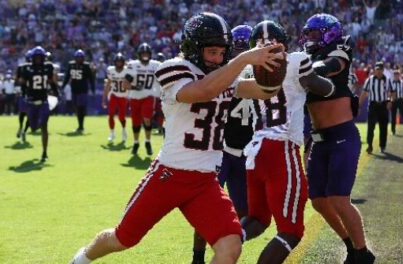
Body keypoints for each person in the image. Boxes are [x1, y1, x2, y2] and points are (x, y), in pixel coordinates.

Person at [69, 12, 284, 264]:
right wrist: (244, 59)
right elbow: (203, 90)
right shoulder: (172, 68)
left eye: (221, 52)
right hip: (169, 174)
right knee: (123, 238)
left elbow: (263, 92)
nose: (217, 58)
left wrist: (275, 66)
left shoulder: (225, 73)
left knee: (230, 246)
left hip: (205, 180)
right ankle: (81, 259)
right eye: (211, 52)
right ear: (194, 48)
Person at [241, 20, 335, 264]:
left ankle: (225, 240)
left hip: (255, 151)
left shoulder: (251, 67)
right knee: (291, 231)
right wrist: (320, 70)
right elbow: (321, 88)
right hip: (281, 147)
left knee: (257, 220)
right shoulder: (296, 60)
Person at [301, 13, 375, 263]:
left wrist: (306, 70)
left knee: (338, 199)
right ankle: (350, 246)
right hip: (319, 139)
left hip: (342, 135)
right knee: (319, 201)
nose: (310, 39)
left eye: (314, 34)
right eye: (308, 34)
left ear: (329, 33)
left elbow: (331, 66)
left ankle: (363, 253)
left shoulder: (339, 51)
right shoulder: (308, 59)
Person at [190, 24, 254, 264]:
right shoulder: (224, 72)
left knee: (244, 211)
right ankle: (198, 257)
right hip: (220, 149)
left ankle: (224, 248)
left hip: (246, 151)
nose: (238, 52)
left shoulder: (256, 72)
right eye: (235, 47)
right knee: (206, 208)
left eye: (243, 47)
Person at [19, 46, 58, 162]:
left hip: (43, 101)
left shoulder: (48, 67)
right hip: (31, 102)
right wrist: (24, 93)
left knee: (44, 126)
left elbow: (51, 81)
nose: (38, 59)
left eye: (40, 57)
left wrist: (56, 93)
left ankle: (44, 153)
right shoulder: (26, 68)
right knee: (34, 128)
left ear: (43, 57)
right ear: (32, 57)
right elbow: (23, 83)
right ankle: (38, 124)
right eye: (36, 57)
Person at [126, 43, 161, 155]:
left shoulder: (155, 65)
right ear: (139, 54)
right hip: (135, 97)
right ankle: (136, 142)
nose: (145, 55)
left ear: (150, 54)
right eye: (143, 53)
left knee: (147, 118)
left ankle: (147, 141)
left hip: (148, 96)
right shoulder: (133, 65)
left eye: (147, 53)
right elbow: (125, 84)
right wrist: (134, 86)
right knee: (135, 123)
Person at [359, 61, 395, 154]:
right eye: (377, 69)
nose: (378, 71)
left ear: (383, 70)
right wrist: (358, 105)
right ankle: (369, 145)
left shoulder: (387, 80)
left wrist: (390, 101)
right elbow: (363, 93)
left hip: (383, 105)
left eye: (380, 69)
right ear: (375, 70)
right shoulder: (369, 80)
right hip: (373, 105)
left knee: (383, 127)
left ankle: (382, 146)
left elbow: (392, 92)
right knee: (371, 127)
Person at [62, 49, 95, 133]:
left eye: (81, 57)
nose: (79, 59)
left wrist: (92, 89)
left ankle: (81, 126)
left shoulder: (86, 66)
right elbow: (67, 76)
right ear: (75, 58)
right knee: (76, 107)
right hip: (74, 90)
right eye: (78, 57)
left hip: (83, 90)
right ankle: (80, 125)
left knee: (81, 107)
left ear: (83, 58)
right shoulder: (71, 64)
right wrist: (63, 86)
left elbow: (91, 79)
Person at [102, 53, 131, 143]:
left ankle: (123, 130)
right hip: (114, 95)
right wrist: (104, 98)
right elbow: (108, 84)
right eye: (117, 61)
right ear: (115, 62)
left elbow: (131, 84)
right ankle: (112, 133)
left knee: (121, 117)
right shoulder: (111, 70)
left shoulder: (127, 71)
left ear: (123, 62)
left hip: (123, 96)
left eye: (120, 61)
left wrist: (130, 97)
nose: (119, 63)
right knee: (110, 114)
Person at [15, 50, 32, 141]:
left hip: (33, 94)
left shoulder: (37, 67)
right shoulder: (21, 68)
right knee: (22, 113)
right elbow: (17, 80)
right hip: (25, 93)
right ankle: (21, 128)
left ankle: (24, 130)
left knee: (30, 115)